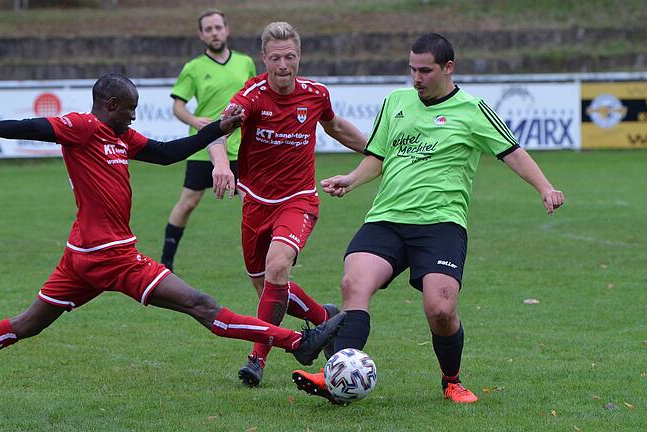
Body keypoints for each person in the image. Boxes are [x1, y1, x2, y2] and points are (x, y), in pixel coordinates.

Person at [0, 73, 346, 420]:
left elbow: (166, 152)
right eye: (131, 110)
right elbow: (32, 126)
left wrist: (219, 127)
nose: (135, 118)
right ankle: (296, 341)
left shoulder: (120, 137)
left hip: (80, 256)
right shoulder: (83, 126)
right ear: (110, 106)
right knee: (202, 305)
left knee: (25, 325)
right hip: (113, 257)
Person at [292, 33, 565, 404]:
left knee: (440, 309)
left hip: (441, 224)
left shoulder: (473, 110)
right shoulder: (396, 102)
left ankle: (451, 380)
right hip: (387, 217)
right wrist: (352, 180)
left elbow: (512, 152)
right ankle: (336, 378)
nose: (416, 78)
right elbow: (377, 156)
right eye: (412, 70)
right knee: (354, 283)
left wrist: (545, 187)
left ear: (448, 68)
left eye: (425, 70)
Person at [207, 22, 368, 387]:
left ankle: (256, 359)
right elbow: (216, 134)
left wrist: (379, 152)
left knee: (277, 270)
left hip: (298, 201)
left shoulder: (315, 94)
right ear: (264, 59)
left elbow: (337, 127)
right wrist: (220, 165)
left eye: (290, 56)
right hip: (254, 204)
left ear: (299, 57)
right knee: (266, 287)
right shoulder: (250, 96)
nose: (283, 64)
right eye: (276, 57)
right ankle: (322, 316)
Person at [160, 9, 256, 272]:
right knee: (189, 201)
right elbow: (178, 106)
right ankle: (166, 262)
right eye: (209, 29)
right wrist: (194, 120)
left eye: (218, 27)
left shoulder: (245, 62)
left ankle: (267, 258)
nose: (214, 33)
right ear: (201, 35)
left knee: (252, 202)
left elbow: (255, 98)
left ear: (227, 30)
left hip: (239, 148)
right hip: (203, 148)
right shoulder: (193, 68)